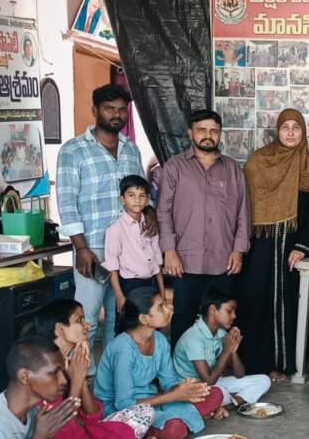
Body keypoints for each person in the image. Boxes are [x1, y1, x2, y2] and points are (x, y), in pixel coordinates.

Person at [235, 109, 309, 382]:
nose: (290, 132)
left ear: (303, 132)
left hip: (291, 248)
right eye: (285, 127)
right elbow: (241, 206)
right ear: (277, 130)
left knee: (289, 302)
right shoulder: (257, 161)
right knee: (256, 300)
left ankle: (285, 364)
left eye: (296, 127)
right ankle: (257, 363)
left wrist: (302, 246)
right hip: (259, 246)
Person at [57, 84, 146, 350]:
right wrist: (81, 248)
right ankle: (82, 373)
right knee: (86, 320)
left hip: (127, 247)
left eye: (122, 110)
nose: (116, 115)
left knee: (119, 319)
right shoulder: (73, 150)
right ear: (95, 111)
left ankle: (111, 370)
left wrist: (149, 214)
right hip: (93, 247)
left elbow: (140, 192)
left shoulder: (131, 150)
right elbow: (66, 203)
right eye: (109, 109)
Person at [25, 300, 153, 439]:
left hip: (82, 433)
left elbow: (93, 416)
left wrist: (81, 378)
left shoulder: (70, 360)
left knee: (145, 411)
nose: (88, 325)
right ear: (59, 329)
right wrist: (76, 381)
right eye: (79, 320)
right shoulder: (44, 370)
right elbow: (61, 431)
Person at [157, 109, 251, 343]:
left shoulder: (233, 169)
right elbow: (163, 211)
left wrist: (239, 250)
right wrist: (169, 251)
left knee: (220, 318)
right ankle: (181, 365)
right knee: (183, 315)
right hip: (185, 259)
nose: (208, 136)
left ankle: (215, 364)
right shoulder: (175, 167)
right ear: (190, 133)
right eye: (201, 130)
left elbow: (243, 213)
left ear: (220, 134)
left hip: (223, 260)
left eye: (214, 131)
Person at [93, 288, 226, 439]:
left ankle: (156, 427)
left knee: (215, 393)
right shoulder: (123, 349)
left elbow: (169, 382)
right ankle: (154, 429)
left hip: (153, 399)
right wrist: (174, 396)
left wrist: (185, 389)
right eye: (161, 307)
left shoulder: (160, 340)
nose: (168, 309)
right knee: (173, 429)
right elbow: (124, 403)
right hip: (121, 410)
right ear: (144, 318)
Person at [173, 287, 272, 407]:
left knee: (264, 380)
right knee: (220, 393)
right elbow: (208, 381)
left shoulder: (221, 333)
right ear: (213, 310)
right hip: (191, 387)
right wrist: (226, 352)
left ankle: (232, 403)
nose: (234, 316)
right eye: (229, 311)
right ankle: (222, 403)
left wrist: (233, 351)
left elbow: (239, 374)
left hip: (214, 383)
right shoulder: (193, 338)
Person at [102, 175, 165, 315]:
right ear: (122, 199)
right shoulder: (116, 229)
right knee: (132, 322)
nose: (137, 200)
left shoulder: (150, 226)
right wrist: (119, 296)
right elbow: (112, 267)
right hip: (130, 285)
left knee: (152, 320)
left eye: (142, 196)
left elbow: (157, 262)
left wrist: (162, 293)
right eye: (131, 195)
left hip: (151, 282)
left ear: (147, 200)